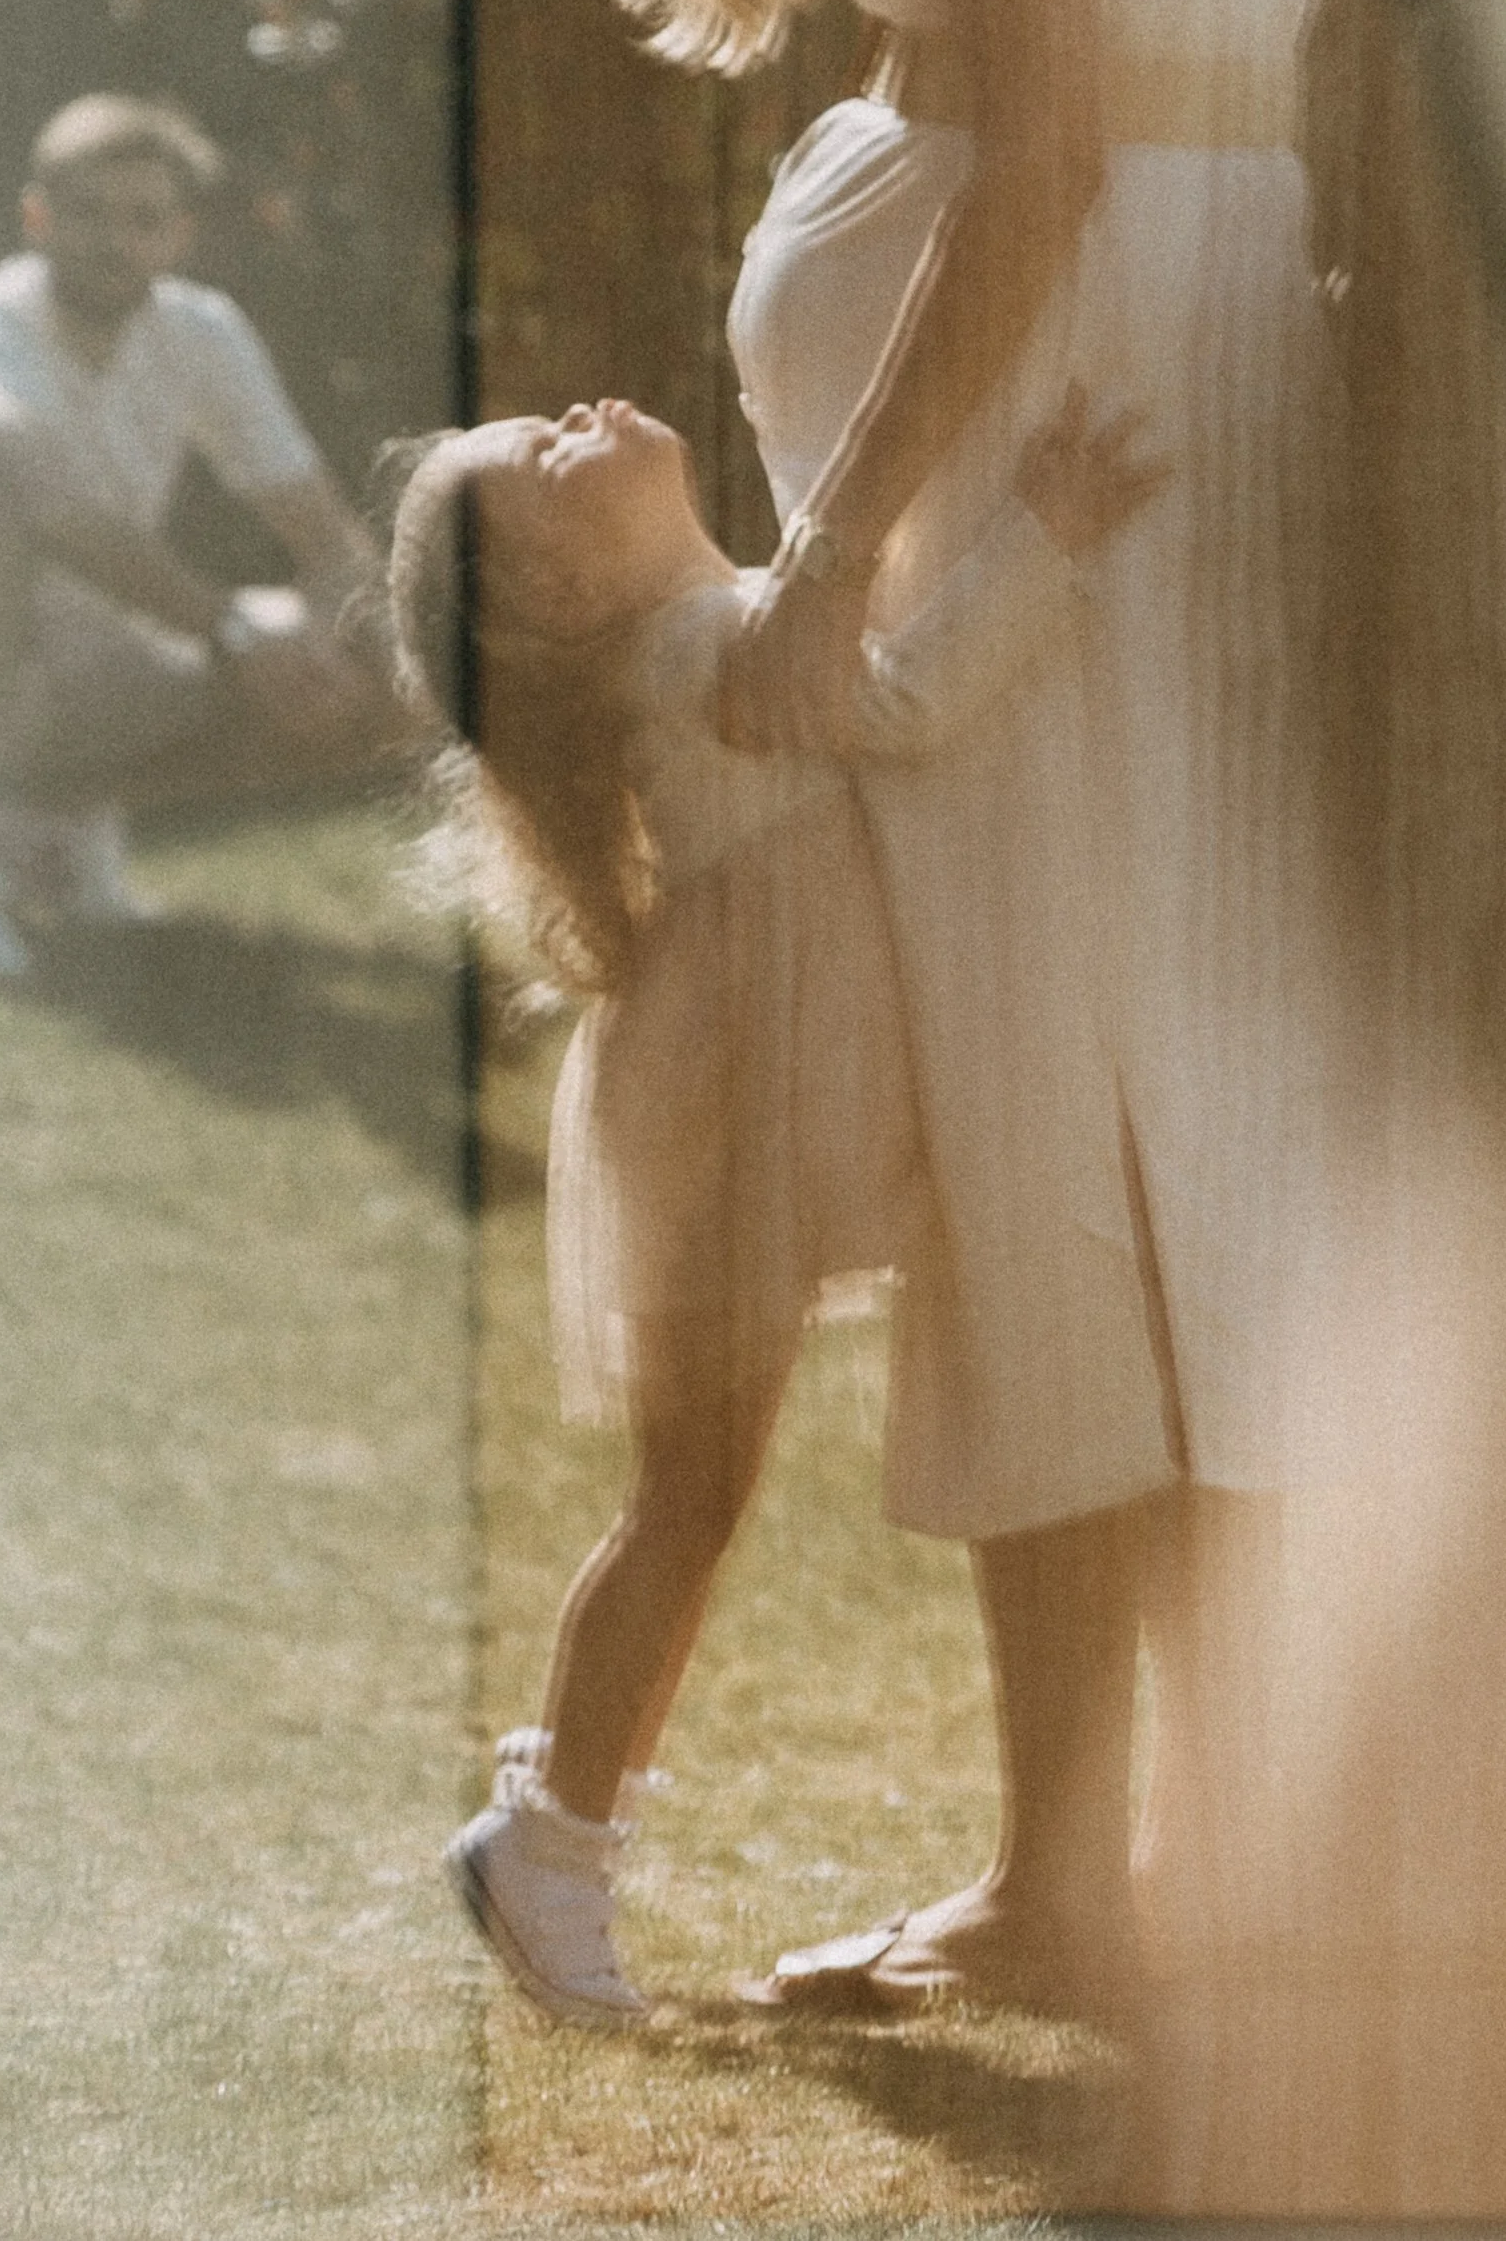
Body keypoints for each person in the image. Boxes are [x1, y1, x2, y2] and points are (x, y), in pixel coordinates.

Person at [486, 0, 1341, 2028]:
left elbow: (1055, 119)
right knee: (1083, 1151)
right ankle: (1102, 1874)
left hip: (1050, 448)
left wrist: (842, 540)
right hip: (1110, 424)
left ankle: (1160, 1885)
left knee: (1082, 1157)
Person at [390, 384, 1168, 2024]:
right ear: (552, 595)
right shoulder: (704, 643)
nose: (571, 416)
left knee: (690, 1498)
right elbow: (899, 702)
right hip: (735, 1115)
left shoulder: (703, 625)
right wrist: (1044, 537)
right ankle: (548, 1846)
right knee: (687, 1499)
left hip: (742, 1101)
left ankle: (551, 1832)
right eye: (539, 461)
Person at [0, 91, 389, 974]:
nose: (112, 241)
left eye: (143, 220)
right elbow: (55, 516)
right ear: (35, 218)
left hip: (79, 672)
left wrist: (358, 643)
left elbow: (322, 532)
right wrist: (237, 626)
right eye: (84, 213)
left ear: (179, 237)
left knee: (378, 668)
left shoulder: (202, 332)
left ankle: (44, 831)